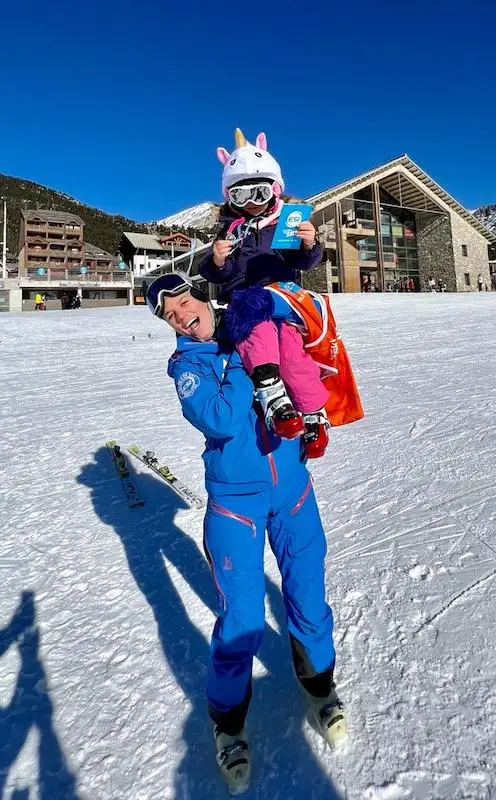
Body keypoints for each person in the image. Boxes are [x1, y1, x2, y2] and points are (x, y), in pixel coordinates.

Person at [144, 272, 347, 796]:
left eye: (185, 302)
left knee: (307, 595)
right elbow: (224, 417)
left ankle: (320, 689)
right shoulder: (189, 367)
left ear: (201, 296)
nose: (183, 315)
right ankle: (229, 725)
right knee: (241, 620)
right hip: (236, 506)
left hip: (294, 492)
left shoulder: (257, 327)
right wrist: (245, 358)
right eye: (171, 315)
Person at [200, 129, 330, 458]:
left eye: (259, 193)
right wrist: (217, 259)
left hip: (281, 300)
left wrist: (309, 243)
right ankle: (271, 391)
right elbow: (217, 274)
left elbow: (303, 261)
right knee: (254, 318)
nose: (252, 204)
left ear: (275, 190)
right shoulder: (229, 230)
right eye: (241, 197)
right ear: (229, 197)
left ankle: (313, 412)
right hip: (243, 306)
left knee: (290, 344)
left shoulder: (285, 224)